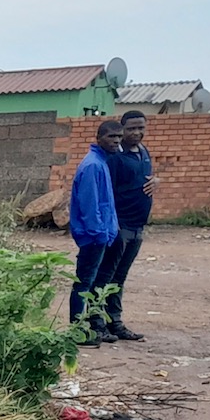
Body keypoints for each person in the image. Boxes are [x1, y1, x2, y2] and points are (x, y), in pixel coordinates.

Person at [99, 110, 154, 341]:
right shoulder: (115, 157)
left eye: (140, 127)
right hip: (119, 226)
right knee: (105, 276)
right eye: (131, 128)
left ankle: (115, 322)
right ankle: (96, 323)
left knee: (120, 278)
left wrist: (157, 181)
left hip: (138, 226)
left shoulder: (143, 152)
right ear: (122, 130)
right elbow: (106, 192)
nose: (136, 132)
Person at [67, 117, 122, 344]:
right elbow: (90, 206)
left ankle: (89, 328)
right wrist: (99, 233)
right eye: (111, 136)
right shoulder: (92, 165)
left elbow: (106, 203)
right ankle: (77, 332)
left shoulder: (102, 163)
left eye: (119, 137)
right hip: (93, 236)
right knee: (83, 283)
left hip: (101, 234)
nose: (115, 141)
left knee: (92, 283)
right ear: (99, 138)